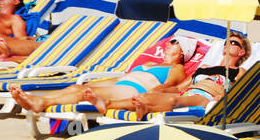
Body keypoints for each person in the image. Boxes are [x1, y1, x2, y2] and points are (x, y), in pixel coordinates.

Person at [10, 36, 195, 115]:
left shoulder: (177, 68)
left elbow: (168, 87)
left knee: (84, 94)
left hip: (133, 91)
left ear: (182, 53)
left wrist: (147, 96)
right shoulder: (152, 64)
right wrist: (100, 81)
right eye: (169, 43)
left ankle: (42, 102)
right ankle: (36, 99)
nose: (167, 45)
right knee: (77, 87)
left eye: (174, 44)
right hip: (121, 84)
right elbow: (120, 78)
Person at [129, 32, 251, 119]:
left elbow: (238, 92)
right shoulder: (204, 67)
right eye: (226, 42)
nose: (228, 44)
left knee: (174, 100)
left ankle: (148, 109)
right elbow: (178, 88)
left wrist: (222, 96)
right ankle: (110, 104)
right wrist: (161, 89)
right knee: (144, 97)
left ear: (241, 52)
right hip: (187, 93)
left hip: (206, 97)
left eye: (233, 43)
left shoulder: (239, 71)